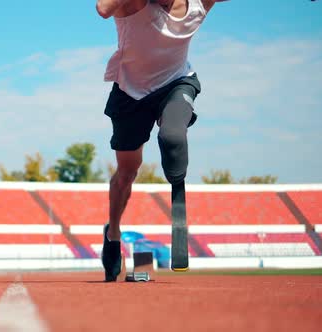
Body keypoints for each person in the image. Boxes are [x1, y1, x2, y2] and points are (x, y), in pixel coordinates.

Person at [96, 0, 228, 281]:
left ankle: (176, 176)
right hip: (131, 93)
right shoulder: (133, 5)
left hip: (177, 82)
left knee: (172, 136)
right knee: (127, 172)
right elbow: (102, 8)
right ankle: (113, 232)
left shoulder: (199, 3)